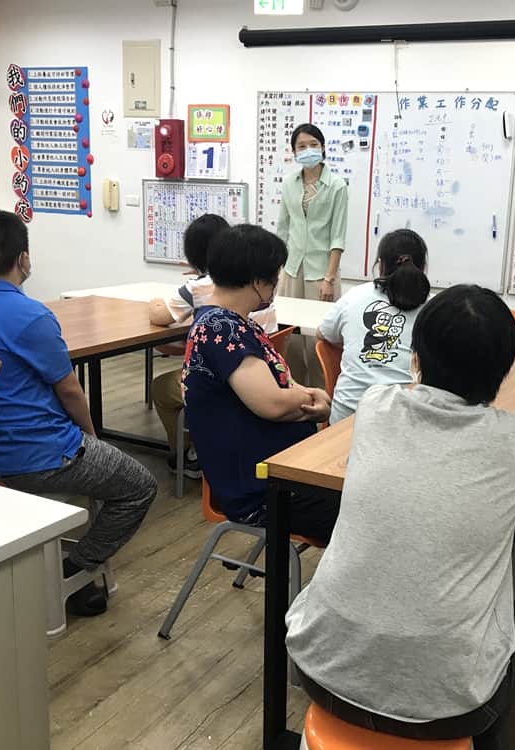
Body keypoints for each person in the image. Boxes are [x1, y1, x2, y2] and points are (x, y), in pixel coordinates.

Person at [286, 284, 515, 750]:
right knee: (511, 622)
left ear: (416, 358)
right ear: (503, 370)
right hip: (447, 710)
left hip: (318, 669)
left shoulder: (375, 406)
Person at [0, 209, 157, 616]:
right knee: (140, 487)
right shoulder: (30, 315)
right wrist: (92, 438)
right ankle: (75, 567)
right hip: (40, 454)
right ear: (22, 258)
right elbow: (70, 391)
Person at [183, 224, 338, 540]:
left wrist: (309, 396)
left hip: (282, 469)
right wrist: (312, 399)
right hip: (263, 489)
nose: (276, 284)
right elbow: (273, 404)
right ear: (257, 281)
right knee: (369, 512)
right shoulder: (220, 329)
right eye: (275, 276)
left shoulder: (238, 324)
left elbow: (284, 385)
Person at [148, 213, 277, 479]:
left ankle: (189, 455)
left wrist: (155, 300)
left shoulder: (199, 287)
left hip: (229, 381)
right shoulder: (257, 286)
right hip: (268, 372)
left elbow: (160, 316)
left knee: (161, 388)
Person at [317, 229, 431, 423]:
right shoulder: (436, 308)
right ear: (423, 267)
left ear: (380, 265)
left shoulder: (355, 295)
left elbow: (323, 334)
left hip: (346, 419)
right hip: (403, 422)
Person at [276, 123, 348, 386]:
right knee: (290, 338)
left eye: (313, 144)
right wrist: (276, 271)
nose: (308, 150)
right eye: (302, 146)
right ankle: (293, 393)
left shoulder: (337, 186)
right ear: (294, 152)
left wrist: (329, 278)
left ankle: (321, 395)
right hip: (292, 269)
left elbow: (338, 237)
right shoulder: (289, 184)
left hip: (322, 273)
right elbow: (283, 229)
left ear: (323, 147)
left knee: (319, 340)